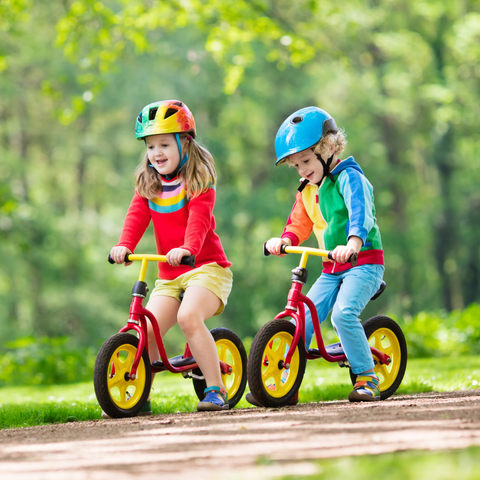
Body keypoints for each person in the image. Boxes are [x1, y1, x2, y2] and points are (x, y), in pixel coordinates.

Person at [249, 106, 385, 405]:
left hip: (362, 263)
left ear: (329, 149)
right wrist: (284, 240)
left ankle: (367, 378)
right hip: (331, 267)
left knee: (343, 314)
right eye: (296, 165)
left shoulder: (351, 178)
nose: (302, 170)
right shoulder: (308, 189)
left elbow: (361, 214)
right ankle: (287, 383)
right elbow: (299, 222)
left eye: (306, 161)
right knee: (303, 320)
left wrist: (352, 243)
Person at [109, 99, 233, 414]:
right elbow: (136, 217)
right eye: (151, 147)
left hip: (206, 268)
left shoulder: (198, 183)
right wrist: (125, 245)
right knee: (146, 330)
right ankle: (139, 398)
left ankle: (216, 390)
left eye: (164, 144)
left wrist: (188, 249)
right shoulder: (148, 184)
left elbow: (199, 222)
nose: (157, 153)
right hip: (169, 274)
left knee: (188, 317)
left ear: (185, 143)